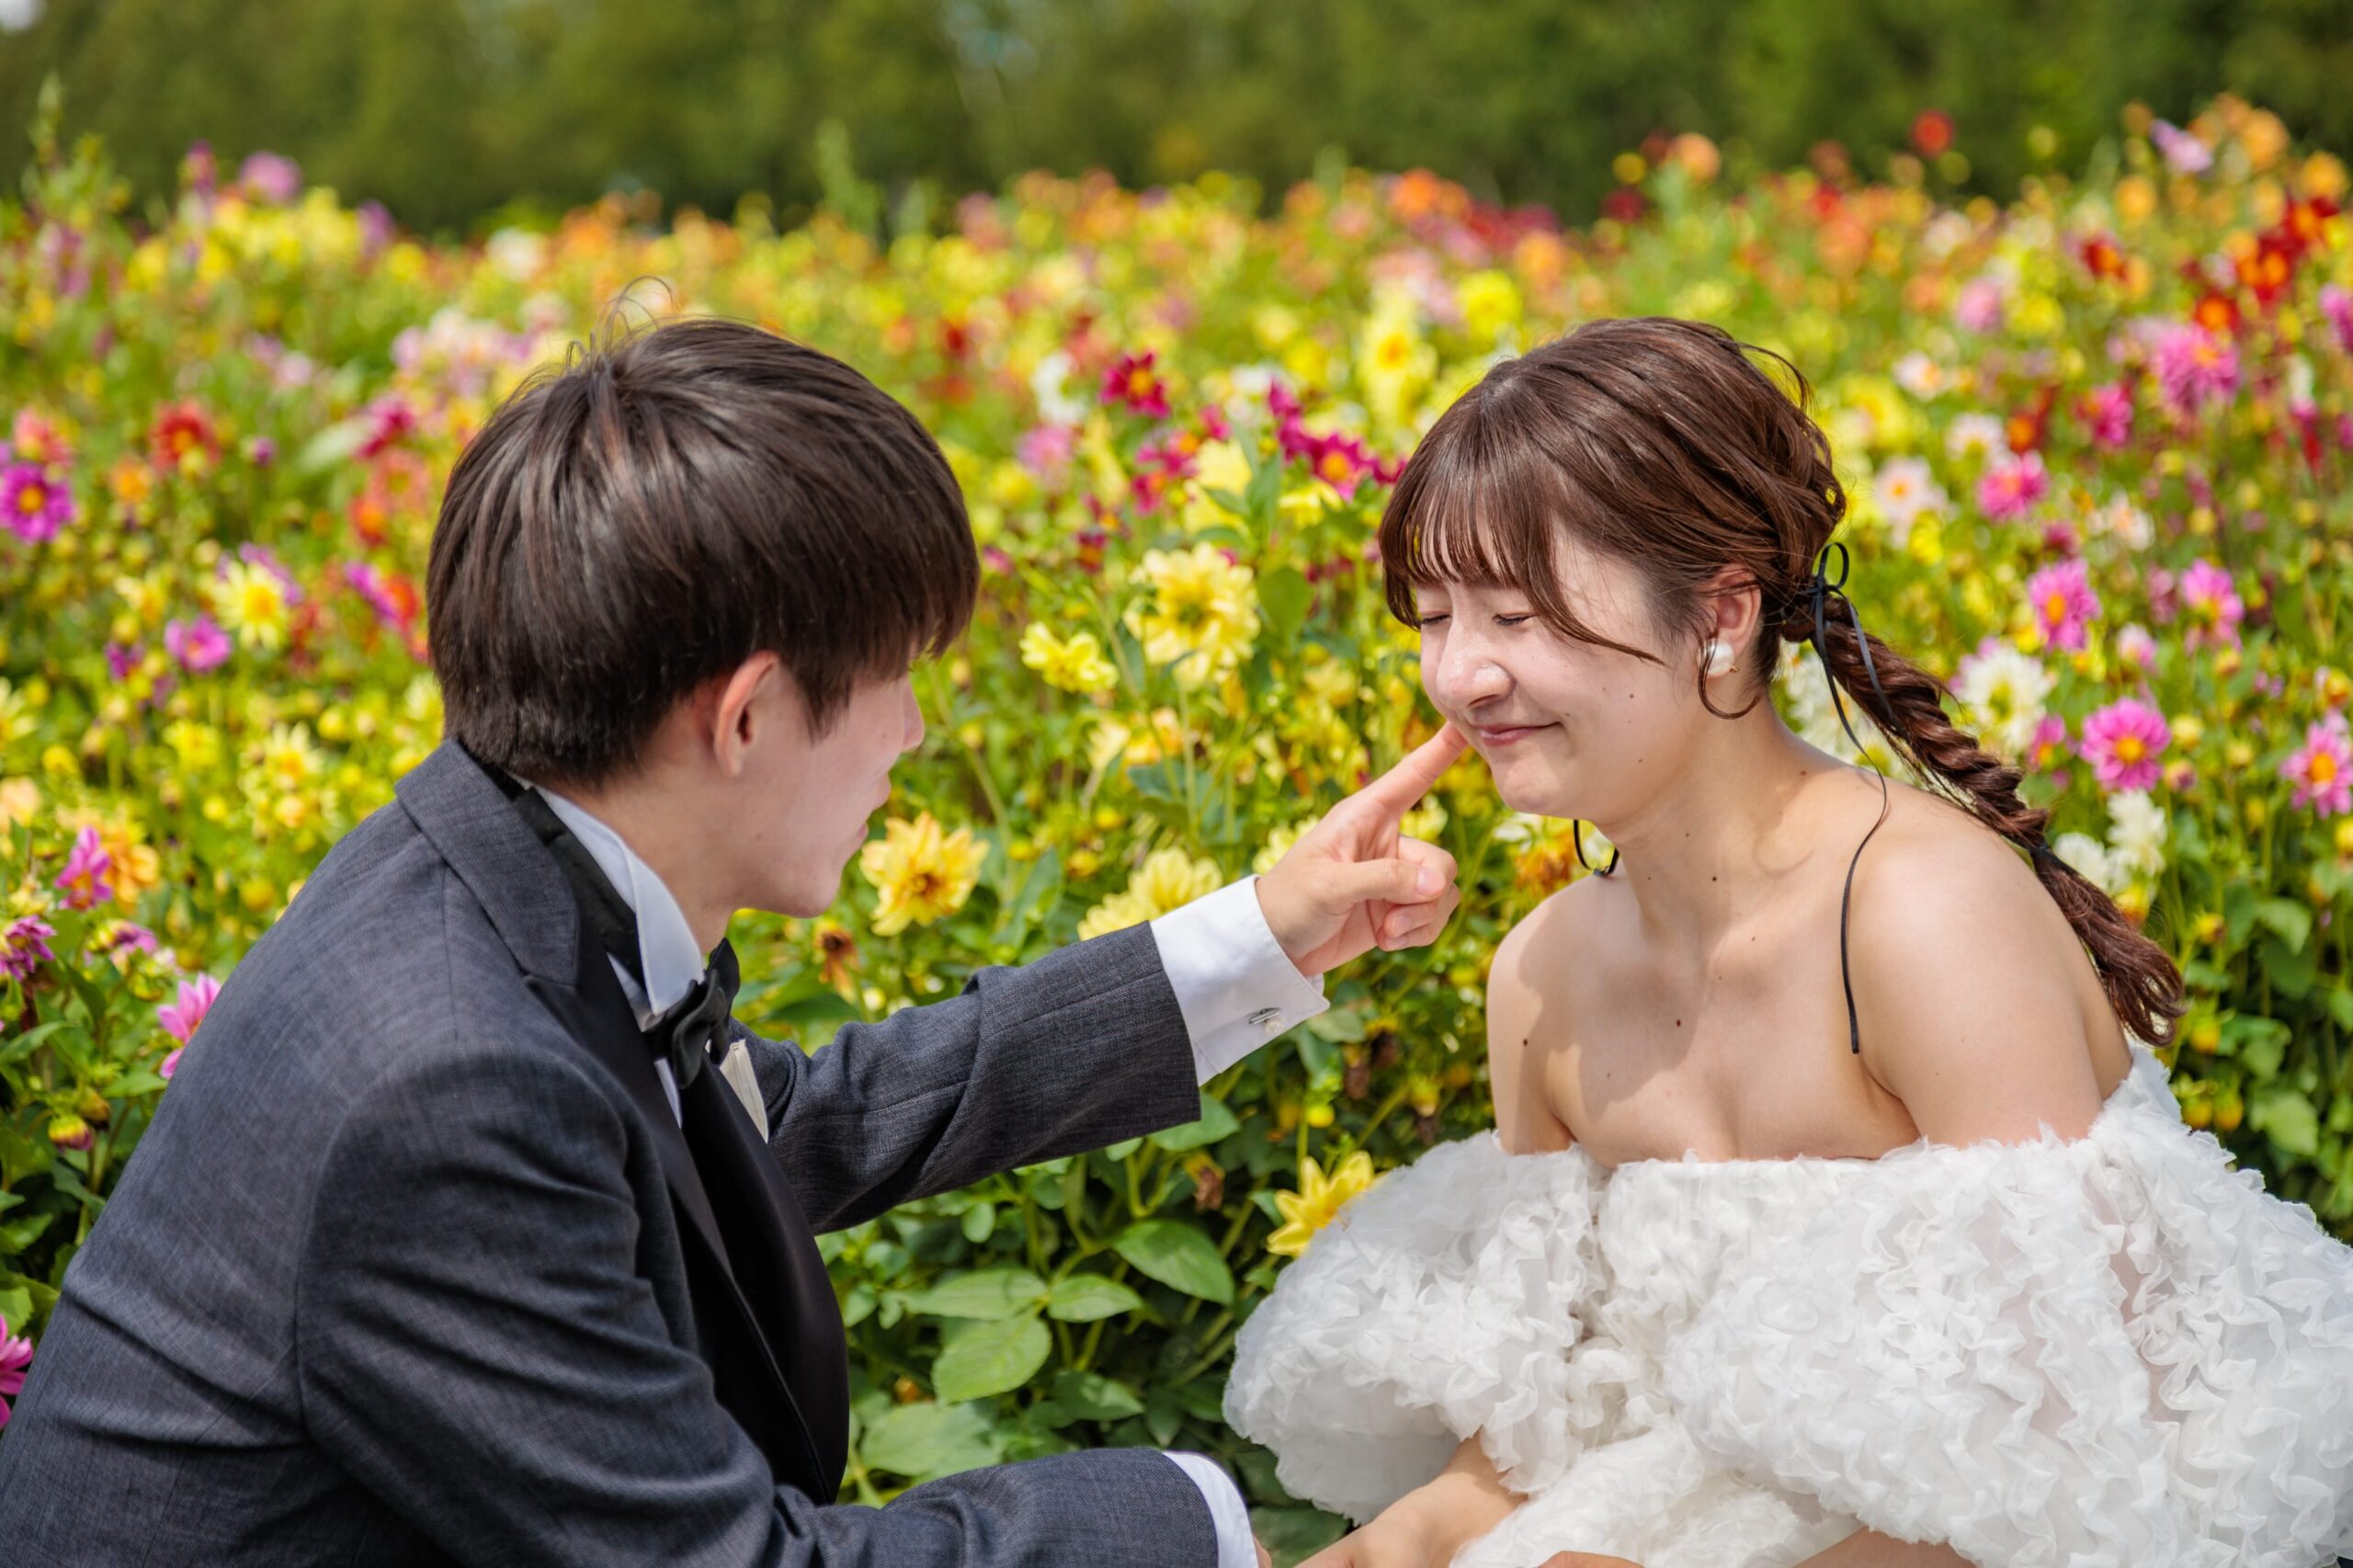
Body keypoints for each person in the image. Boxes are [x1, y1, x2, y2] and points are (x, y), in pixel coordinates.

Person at [0, 316, 1472, 1568]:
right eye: (897, 677)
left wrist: (1264, 935)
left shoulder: (493, 868)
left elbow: (786, 1125)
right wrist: (1205, 1513)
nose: (913, 732)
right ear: (749, 712)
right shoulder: (441, 1079)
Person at [1222, 317, 2353, 1568]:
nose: (1463, 676)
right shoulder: (1541, 976)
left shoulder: (1918, 918)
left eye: (1518, 613)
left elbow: (2080, 1440)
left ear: (1718, 612)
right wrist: (1382, 1551)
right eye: (1436, 616)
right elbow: (1532, 1446)